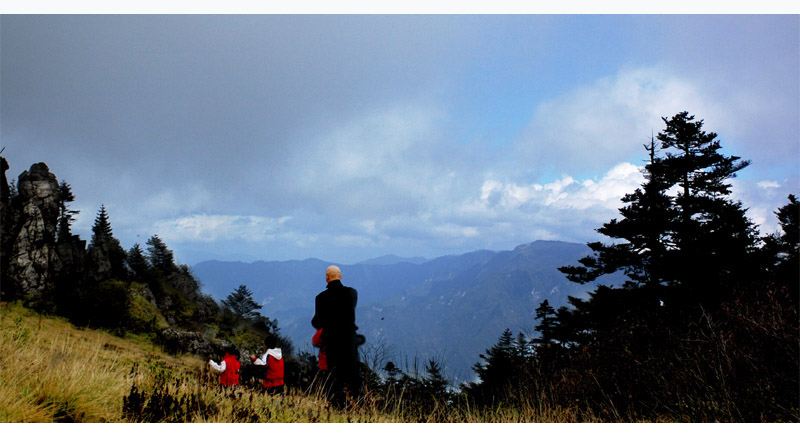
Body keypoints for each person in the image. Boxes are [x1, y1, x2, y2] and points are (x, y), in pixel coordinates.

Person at [311, 265, 361, 408]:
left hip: (331, 342)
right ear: (341, 276)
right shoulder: (352, 293)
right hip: (350, 341)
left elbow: (317, 321)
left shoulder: (320, 298)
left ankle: (338, 406)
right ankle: (359, 405)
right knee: (353, 375)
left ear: (326, 278)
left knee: (334, 377)